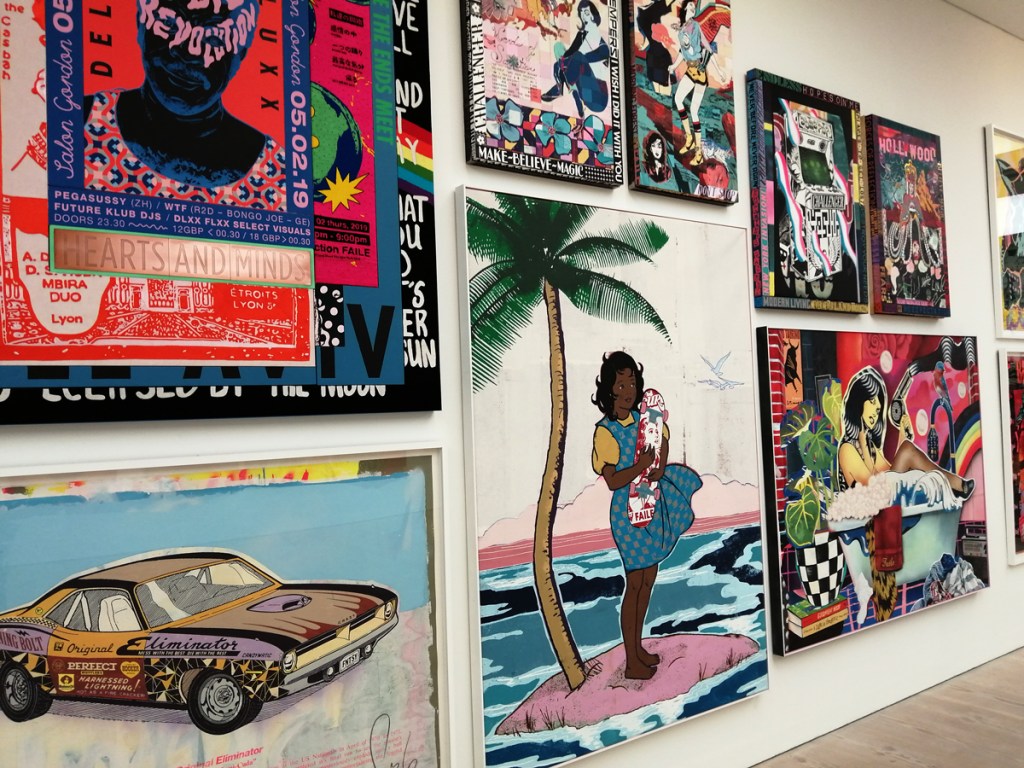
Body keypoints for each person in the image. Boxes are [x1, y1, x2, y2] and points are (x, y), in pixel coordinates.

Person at [83, 0, 286, 209]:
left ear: (239, 56)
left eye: (214, 39)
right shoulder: (80, 122)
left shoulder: (277, 173)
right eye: (169, 24)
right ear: (140, 24)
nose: (188, 52)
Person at [591, 351, 702, 680]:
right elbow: (612, 480)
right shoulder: (605, 431)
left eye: (632, 383)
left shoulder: (646, 420)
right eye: (620, 384)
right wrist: (640, 466)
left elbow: (661, 444)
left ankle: (637, 648)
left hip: (649, 504)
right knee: (635, 582)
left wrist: (658, 465)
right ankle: (632, 660)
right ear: (609, 389)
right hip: (626, 514)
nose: (628, 390)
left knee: (648, 580)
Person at [837, 366, 973, 499]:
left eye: (878, 410)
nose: (875, 413)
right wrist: (864, 441)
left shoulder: (869, 444)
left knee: (908, 451)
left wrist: (902, 435)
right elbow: (870, 487)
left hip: (882, 499)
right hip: (869, 507)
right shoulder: (847, 449)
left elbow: (891, 472)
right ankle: (955, 485)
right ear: (858, 402)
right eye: (872, 402)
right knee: (907, 450)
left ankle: (950, 485)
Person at [540, 0, 609, 119]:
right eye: (581, 13)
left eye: (587, 12)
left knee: (576, 57)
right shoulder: (581, 35)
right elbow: (568, 55)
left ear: (593, 15)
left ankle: (562, 87)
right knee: (558, 48)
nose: (584, 16)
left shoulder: (599, 39)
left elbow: (604, 53)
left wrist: (570, 62)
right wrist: (562, 63)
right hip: (583, 87)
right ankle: (565, 88)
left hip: (598, 98)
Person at [669, 0, 714, 166]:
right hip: (690, 70)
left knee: (694, 110)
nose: (693, 8)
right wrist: (674, 66)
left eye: (694, 7)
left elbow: (703, 47)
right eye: (690, 6)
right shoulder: (682, 30)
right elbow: (683, 51)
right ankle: (688, 137)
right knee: (678, 99)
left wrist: (718, 69)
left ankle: (699, 152)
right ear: (685, 8)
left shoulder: (694, 26)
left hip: (700, 73)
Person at [635, 0, 679, 96]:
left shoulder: (657, 6)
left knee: (665, 89)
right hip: (651, 55)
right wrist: (643, 46)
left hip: (662, 55)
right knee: (657, 89)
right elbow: (648, 35)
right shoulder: (640, 14)